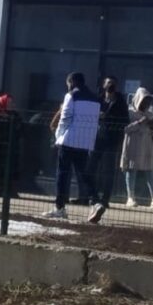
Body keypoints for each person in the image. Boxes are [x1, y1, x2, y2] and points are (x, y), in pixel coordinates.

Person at [43, 71, 100, 219]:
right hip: (85, 141)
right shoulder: (95, 99)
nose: (67, 86)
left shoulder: (71, 96)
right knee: (84, 173)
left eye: (68, 83)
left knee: (62, 174)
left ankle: (60, 207)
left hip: (68, 140)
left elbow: (65, 118)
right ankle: (96, 201)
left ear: (72, 82)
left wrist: (58, 136)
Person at [87, 76, 130, 223]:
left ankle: (105, 199)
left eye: (113, 84)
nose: (110, 86)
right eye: (108, 83)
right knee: (90, 168)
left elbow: (125, 120)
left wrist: (108, 116)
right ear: (103, 85)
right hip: (97, 138)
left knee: (108, 170)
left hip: (111, 139)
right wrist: (98, 116)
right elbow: (90, 116)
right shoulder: (99, 100)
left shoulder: (120, 102)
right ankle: (93, 197)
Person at [121, 88, 153, 209]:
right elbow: (125, 129)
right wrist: (139, 122)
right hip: (132, 145)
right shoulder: (129, 112)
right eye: (144, 101)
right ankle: (130, 197)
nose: (146, 104)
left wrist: (152, 126)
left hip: (146, 146)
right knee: (131, 170)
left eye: (148, 102)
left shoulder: (150, 114)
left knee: (150, 172)